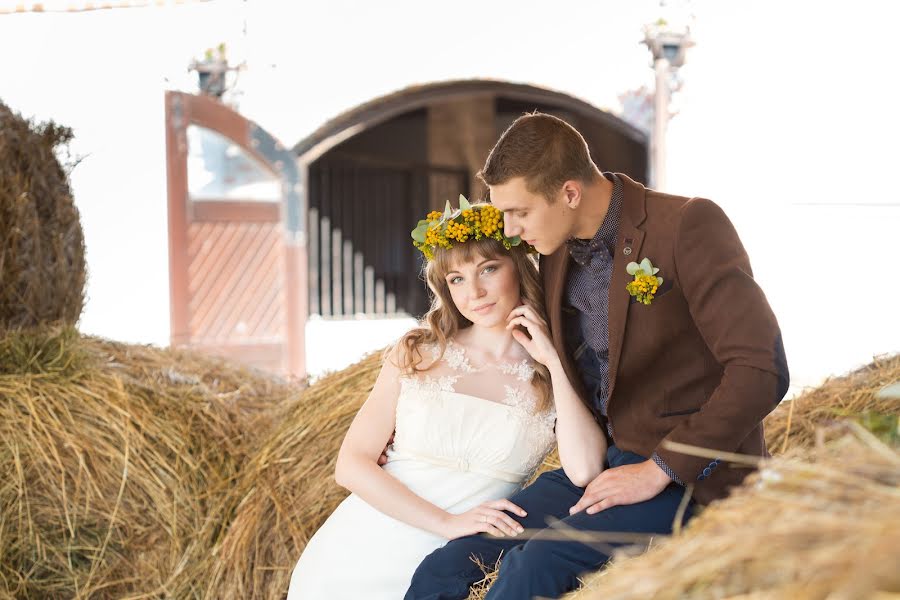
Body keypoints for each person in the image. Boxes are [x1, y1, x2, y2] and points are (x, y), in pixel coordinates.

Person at [406, 112, 790, 599]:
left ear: (569, 193)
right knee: (449, 565)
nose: (509, 228)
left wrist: (659, 470)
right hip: (597, 465)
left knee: (533, 568)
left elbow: (762, 370)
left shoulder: (687, 225)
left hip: (692, 476)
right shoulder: (553, 248)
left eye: (520, 212)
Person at [286, 199, 607, 599]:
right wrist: (446, 522)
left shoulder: (556, 368)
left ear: (519, 267)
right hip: (356, 550)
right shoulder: (418, 351)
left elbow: (585, 471)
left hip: (451, 562)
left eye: (488, 269)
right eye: (456, 279)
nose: (474, 292)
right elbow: (351, 465)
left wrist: (554, 363)